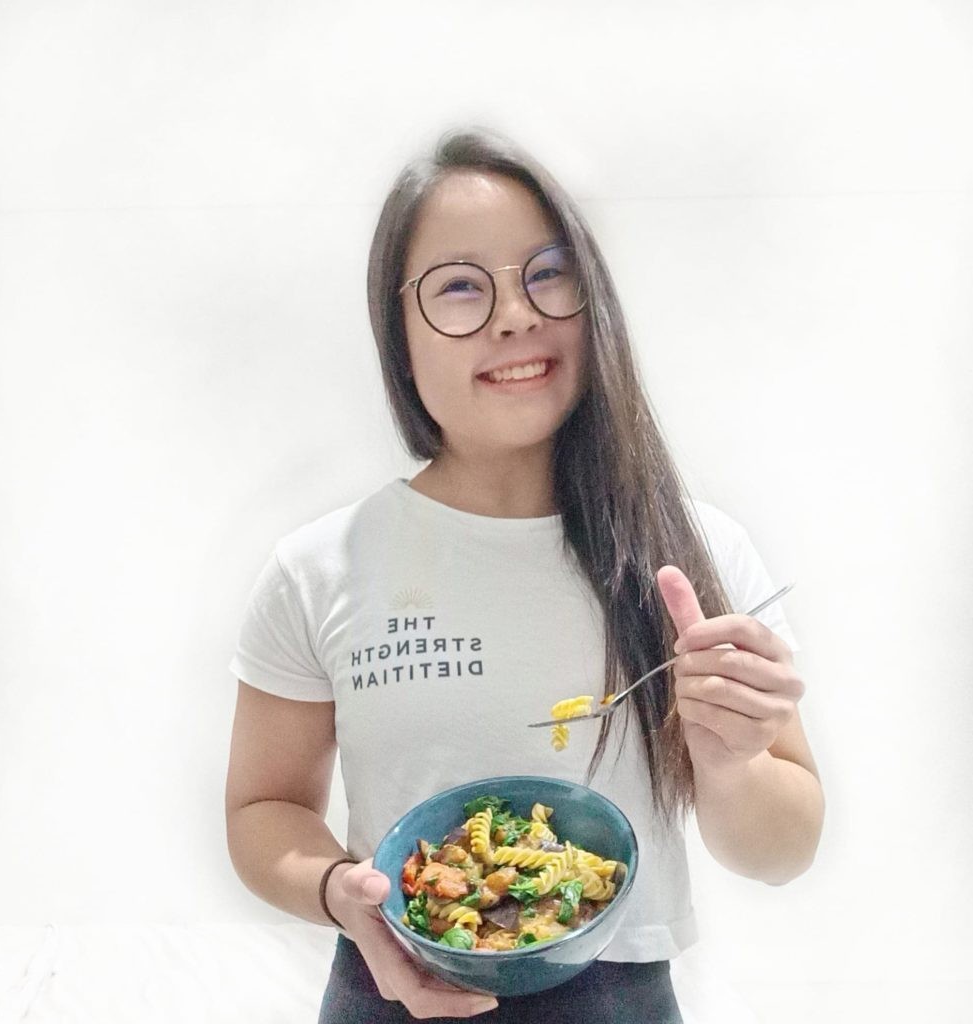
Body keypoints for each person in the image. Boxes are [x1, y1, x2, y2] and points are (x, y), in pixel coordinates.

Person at [224, 127, 824, 1023]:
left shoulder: (689, 554)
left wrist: (731, 762)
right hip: (387, 983)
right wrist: (339, 891)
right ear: (398, 331)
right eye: (460, 287)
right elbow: (262, 808)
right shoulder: (319, 567)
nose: (513, 315)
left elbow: (781, 853)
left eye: (548, 273)